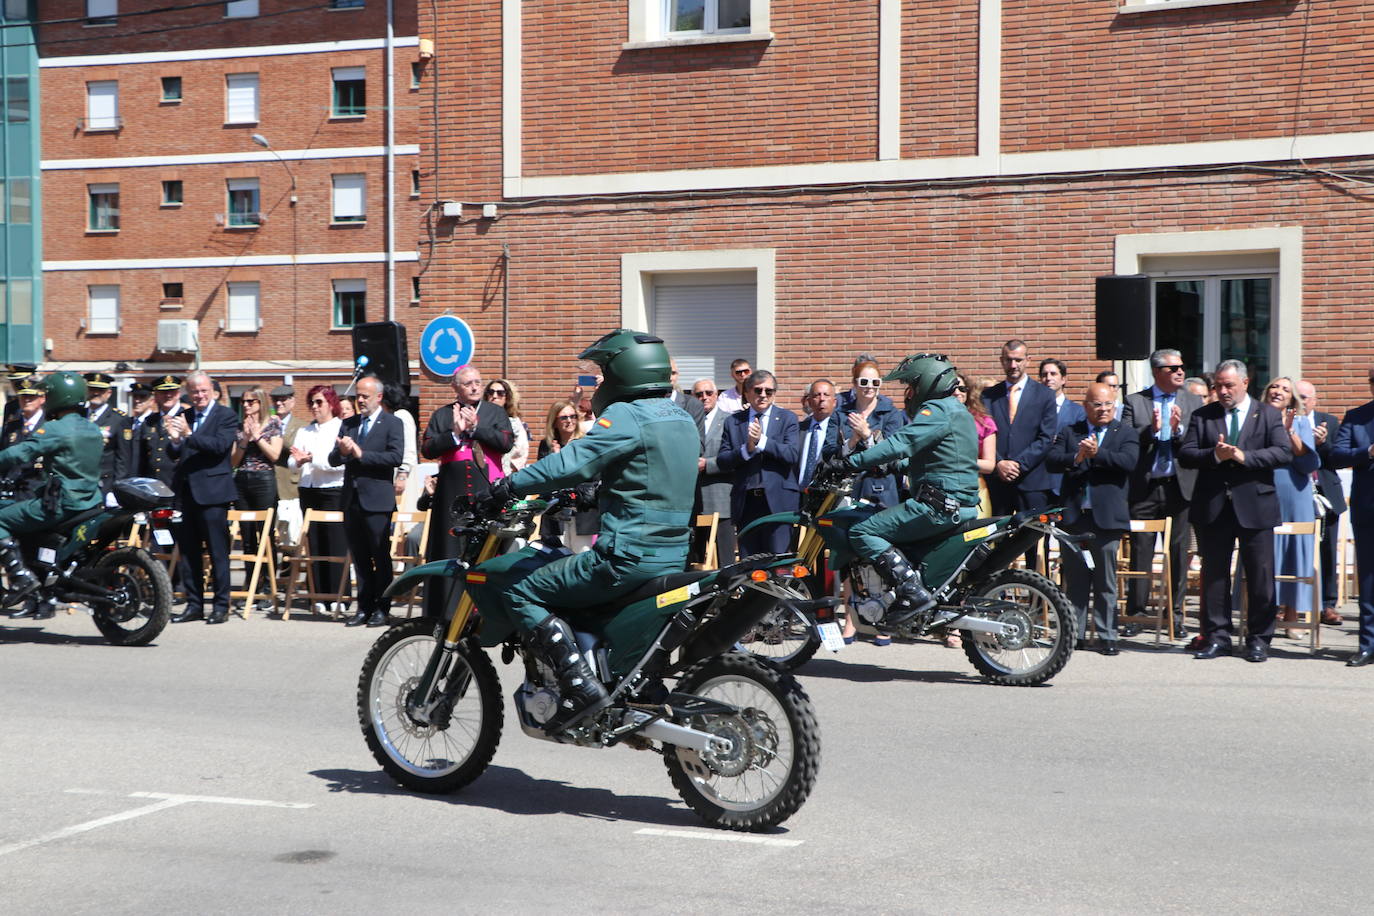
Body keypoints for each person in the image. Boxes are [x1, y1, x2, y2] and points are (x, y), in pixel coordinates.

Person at [479, 329, 699, 733]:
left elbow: (571, 463)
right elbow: (646, 478)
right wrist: (588, 495)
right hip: (671, 557)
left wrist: (508, 485)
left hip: (624, 558)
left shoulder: (629, 416)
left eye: (602, 372)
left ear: (623, 372)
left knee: (518, 586)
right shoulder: (681, 417)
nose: (597, 381)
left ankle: (580, 687)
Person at [831, 353, 980, 628]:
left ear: (925, 384)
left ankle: (911, 592)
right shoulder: (958, 412)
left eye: (910, 385)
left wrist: (850, 462)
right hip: (957, 504)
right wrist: (890, 466)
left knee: (862, 531)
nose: (908, 393)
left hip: (936, 507)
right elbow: (933, 459)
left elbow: (901, 442)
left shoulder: (936, 411)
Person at [1179, 359, 1291, 663]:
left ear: (1245, 383)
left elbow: (1283, 451)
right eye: (1219, 385)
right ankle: (1217, 638)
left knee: (1260, 575)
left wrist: (1245, 456)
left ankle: (1258, 640)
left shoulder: (1267, 414)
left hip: (1256, 505)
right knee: (1214, 575)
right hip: (1214, 505)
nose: (1223, 391)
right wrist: (1213, 455)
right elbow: (1186, 453)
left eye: (1229, 385)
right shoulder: (1204, 415)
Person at [0, 372, 103, 615]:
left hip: (61, 503)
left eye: (47, 395)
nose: (44, 401)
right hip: (90, 501)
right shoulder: (92, 428)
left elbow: (22, 452)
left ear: (57, 397)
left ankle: (20, 578)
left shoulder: (57, 428)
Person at [1048, 382, 1139, 655]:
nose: (1103, 409)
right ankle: (1074, 633)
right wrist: (1077, 457)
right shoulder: (1071, 431)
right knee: (1075, 579)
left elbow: (1129, 462)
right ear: (1086, 406)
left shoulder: (1125, 432)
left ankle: (1107, 635)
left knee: (1105, 580)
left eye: (1108, 404)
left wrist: (1098, 454)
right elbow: (1051, 460)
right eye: (1097, 404)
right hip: (1075, 516)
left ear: (1115, 405)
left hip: (1107, 518)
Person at [1121, 348, 1205, 640]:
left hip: (1178, 488)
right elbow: (1128, 440)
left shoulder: (1193, 401)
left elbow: (1195, 444)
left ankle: (1175, 616)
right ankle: (1136, 614)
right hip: (1145, 488)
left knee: (1178, 555)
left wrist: (1177, 431)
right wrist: (1152, 431)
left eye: (1182, 367)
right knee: (1141, 552)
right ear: (1158, 372)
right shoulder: (1135, 402)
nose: (1181, 372)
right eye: (1173, 368)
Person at [419, 365, 513, 619]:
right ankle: (448, 612)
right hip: (451, 496)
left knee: (487, 551)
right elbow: (427, 449)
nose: (474, 387)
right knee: (449, 550)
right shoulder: (442, 415)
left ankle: (487, 613)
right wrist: (455, 433)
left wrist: (476, 429)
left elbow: (506, 443)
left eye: (478, 382)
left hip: (486, 493)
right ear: (455, 388)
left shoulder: (495, 412)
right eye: (468, 383)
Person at [330, 375, 405, 628]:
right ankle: (364, 607)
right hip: (351, 499)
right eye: (358, 396)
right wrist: (341, 452)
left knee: (379, 556)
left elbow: (395, 457)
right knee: (360, 558)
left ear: (379, 397)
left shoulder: (392, 423)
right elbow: (333, 459)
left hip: (377, 500)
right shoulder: (348, 423)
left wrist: (362, 454)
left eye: (365, 396)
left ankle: (382, 608)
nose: (360, 400)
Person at [169, 372, 241, 625]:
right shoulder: (185, 416)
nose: (199, 396)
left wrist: (189, 435)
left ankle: (221, 606)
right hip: (187, 492)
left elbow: (220, 447)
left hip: (213, 493)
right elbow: (174, 452)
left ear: (212, 390)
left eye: (203, 391)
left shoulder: (226, 415)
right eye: (194, 392)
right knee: (188, 553)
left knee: (217, 552)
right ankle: (194, 605)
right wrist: (175, 439)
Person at [718, 369, 800, 556]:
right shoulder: (733, 422)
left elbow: (792, 454)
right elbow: (723, 461)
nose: (763, 395)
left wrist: (762, 441)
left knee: (778, 561)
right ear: (747, 393)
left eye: (768, 391)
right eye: (758, 390)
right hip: (747, 503)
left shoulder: (788, 418)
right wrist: (746, 450)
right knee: (749, 564)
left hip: (779, 502)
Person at [1263, 377, 1319, 639]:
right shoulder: (1256, 418)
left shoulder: (1300, 421)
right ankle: (1265, 613)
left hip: (1295, 495)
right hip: (1263, 494)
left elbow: (1308, 465)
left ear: (1292, 399)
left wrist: (1289, 433)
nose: (1278, 391)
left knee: (1295, 554)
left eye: (1286, 389)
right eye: (1274, 386)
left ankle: (1293, 615)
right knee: (1266, 554)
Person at [981, 339, 1059, 518]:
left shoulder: (1045, 395)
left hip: (1032, 481)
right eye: (1008, 360)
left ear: (1028, 360)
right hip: (998, 480)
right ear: (1002, 360)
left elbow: (1046, 437)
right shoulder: (988, 396)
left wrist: (1018, 464)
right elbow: (984, 435)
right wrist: (999, 463)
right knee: (998, 539)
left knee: (1029, 538)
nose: (1013, 365)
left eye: (1018, 360)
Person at [289, 385, 348, 615]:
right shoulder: (305, 431)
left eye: (319, 402)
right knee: (314, 542)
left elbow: (339, 463)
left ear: (331, 403)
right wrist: (301, 461)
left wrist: (312, 458)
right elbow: (292, 462)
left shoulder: (340, 428)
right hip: (309, 489)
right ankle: (318, 596)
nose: (315, 407)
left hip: (333, 490)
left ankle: (338, 595)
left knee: (335, 543)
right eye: (312, 402)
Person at [1332, 367, 1374, 667]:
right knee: (1369, 578)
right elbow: (1336, 455)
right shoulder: (1356, 416)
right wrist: (1368, 451)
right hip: (1368, 507)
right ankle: (1368, 644)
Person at [1297, 379, 1347, 626]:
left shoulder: (1330, 422)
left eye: (1305, 397)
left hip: (1325, 492)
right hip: (1296, 492)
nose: (1301, 401)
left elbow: (1337, 459)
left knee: (1326, 551)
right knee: (1295, 549)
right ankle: (1293, 604)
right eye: (1297, 396)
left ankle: (1327, 605)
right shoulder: (1285, 422)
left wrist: (1322, 444)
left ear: (1314, 400)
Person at [836, 361, 905, 507]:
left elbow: (893, 454)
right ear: (854, 384)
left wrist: (868, 436)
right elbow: (829, 452)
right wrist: (852, 441)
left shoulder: (891, 414)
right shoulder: (839, 414)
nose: (870, 386)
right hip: (845, 489)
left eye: (875, 382)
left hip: (880, 490)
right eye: (864, 382)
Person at [230, 386, 282, 570]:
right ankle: (252, 580)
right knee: (247, 534)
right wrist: (244, 438)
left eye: (250, 401)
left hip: (264, 479)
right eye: (243, 401)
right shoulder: (239, 426)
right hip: (242, 480)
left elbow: (275, 455)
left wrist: (257, 437)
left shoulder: (273, 424)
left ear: (261, 403)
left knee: (265, 533)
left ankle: (269, 582)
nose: (245, 405)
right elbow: (234, 461)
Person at [692, 378, 738, 565]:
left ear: (717, 394)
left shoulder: (730, 420)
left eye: (708, 393)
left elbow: (737, 457)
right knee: (694, 556)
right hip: (693, 498)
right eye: (699, 394)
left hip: (720, 498)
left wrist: (708, 464)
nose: (704, 397)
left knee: (724, 557)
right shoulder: (689, 420)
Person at [1039, 358, 1086, 500]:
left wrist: (1058, 441)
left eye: (1053, 374)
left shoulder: (1078, 412)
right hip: (1037, 482)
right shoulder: (1032, 410)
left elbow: (1079, 445)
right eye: (1044, 374)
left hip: (1064, 481)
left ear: (1063, 379)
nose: (1048, 378)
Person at [955, 371, 996, 518]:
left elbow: (989, 465)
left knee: (978, 536)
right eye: (952, 388)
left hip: (975, 487)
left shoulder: (983, 422)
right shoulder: (933, 420)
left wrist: (957, 461)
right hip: (942, 490)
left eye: (962, 388)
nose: (957, 392)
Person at [82, 372, 128, 493]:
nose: (96, 393)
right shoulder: (78, 414)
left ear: (109, 393)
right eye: (92, 389)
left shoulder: (118, 419)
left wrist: (117, 489)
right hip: (79, 480)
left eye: (100, 390)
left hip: (104, 482)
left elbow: (122, 457)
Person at [797, 379, 843, 490]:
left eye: (826, 395)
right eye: (817, 395)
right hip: (796, 495)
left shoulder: (840, 431)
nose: (822, 399)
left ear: (834, 402)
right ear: (809, 401)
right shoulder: (798, 429)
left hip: (826, 496)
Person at [381, 382, 418, 502]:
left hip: (402, 475)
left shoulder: (402, 416)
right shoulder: (390, 417)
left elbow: (408, 446)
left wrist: (402, 474)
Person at [484, 378, 530, 475]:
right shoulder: (479, 419)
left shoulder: (514, 423)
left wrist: (507, 468)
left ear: (507, 397)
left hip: (504, 473)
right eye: (491, 392)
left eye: (500, 393)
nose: (494, 396)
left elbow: (521, 450)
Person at [668, 358, 707, 445]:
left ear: (678, 375)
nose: (670, 377)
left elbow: (699, 445)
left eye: (673, 373)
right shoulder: (645, 403)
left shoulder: (693, 405)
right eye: (666, 373)